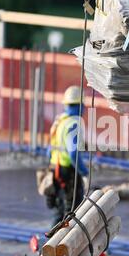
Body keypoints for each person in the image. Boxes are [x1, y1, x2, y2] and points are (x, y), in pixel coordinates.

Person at [46, 85, 88, 226]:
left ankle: (49, 243)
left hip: (55, 169)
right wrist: (84, 172)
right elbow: (73, 153)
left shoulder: (60, 120)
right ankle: (63, 244)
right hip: (67, 172)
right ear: (79, 105)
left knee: (59, 211)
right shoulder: (74, 123)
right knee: (71, 212)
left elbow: (49, 149)